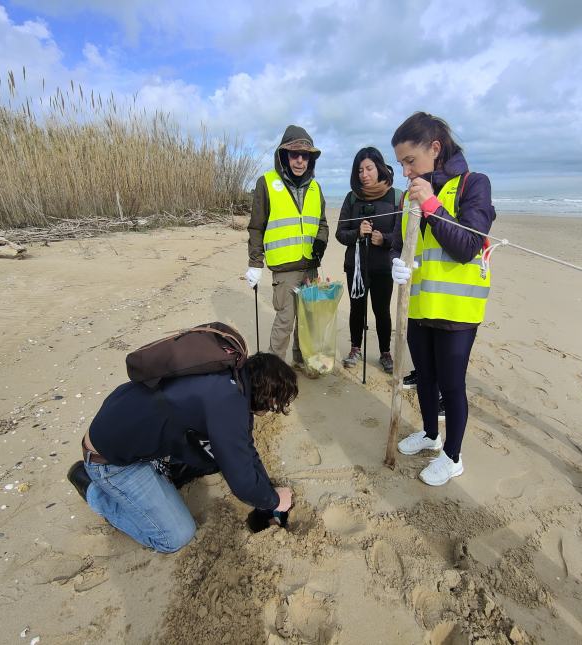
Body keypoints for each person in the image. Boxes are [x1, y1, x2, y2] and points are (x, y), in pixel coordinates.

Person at [66, 352, 297, 552]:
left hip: (124, 427)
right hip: (110, 462)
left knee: (214, 458)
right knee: (177, 536)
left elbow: (244, 449)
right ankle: (93, 491)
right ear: (266, 397)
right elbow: (242, 482)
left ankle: (163, 482)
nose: (270, 412)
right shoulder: (228, 408)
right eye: (273, 406)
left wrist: (267, 492)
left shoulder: (230, 376)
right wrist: (274, 500)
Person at [389, 112, 496, 486]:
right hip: (418, 305)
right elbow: (401, 243)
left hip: (456, 309)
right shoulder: (409, 195)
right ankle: (431, 434)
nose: (404, 171)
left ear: (435, 149)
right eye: (400, 163)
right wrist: (397, 265)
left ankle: (452, 456)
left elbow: (467, 245)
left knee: (451, 384)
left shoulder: (473, 184)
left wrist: (433, 204)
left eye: (409, 161)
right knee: (426, 379)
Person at [245, 125, 329, 368]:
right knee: (286, 321)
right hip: (284, 268)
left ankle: (301, 360)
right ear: (284, 155)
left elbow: (322, 222)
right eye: (294, 154)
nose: (300, 160)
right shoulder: (267, 183)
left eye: (305, 155)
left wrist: (321, 242)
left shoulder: (316, 187)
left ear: (311, 158)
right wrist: (254, 263)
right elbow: (256, 227)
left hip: (310, 266)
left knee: (307, 319)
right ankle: (273, 370)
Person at [335, 147, 402, 373]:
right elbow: (340, 233)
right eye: (360, 170)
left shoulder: (396, 196)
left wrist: (384, 239)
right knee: (357, 309)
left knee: (382, 311)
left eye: (369, 168)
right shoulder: (351, 197)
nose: (364, 174)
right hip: (356, 267)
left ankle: (385, 352)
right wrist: (357, 233)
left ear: (379, 168)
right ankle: (355, 348)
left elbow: (401, 237)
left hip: (383, 267)